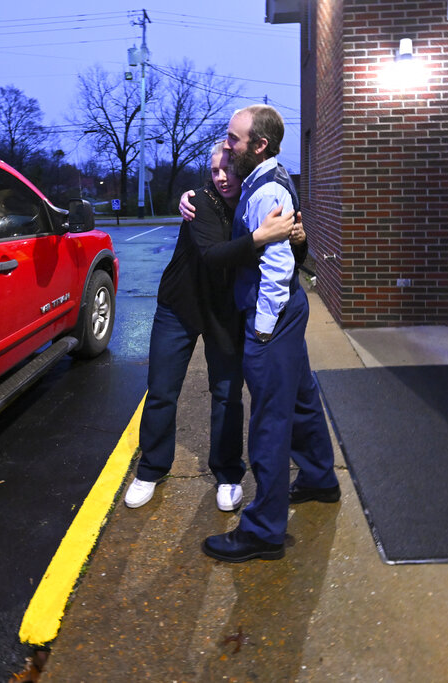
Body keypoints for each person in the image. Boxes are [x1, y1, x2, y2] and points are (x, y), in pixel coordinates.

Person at [124, 142, 304, 512]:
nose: (222, 177)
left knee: (227, 394)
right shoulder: (201, 202)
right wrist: (260, 237)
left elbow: (290, 256)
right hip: (180, 307)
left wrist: (298, 241)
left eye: (229, 169)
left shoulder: (259, 200)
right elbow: (212, 256)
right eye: (215, 170)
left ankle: (227, 475)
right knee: (161, 391)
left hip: (226, 310)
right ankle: (151, 469)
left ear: (245, 167)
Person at [202, 104, 339, 564]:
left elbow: (277, 269)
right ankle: (320, 478)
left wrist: (261, 330)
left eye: (233, 138)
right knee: (300, 399)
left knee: (270, 420)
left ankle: (263, 530)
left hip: (273, 317)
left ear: (258, 144)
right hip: (286, 313)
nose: (227, 145)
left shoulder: (265, 191)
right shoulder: (265, 178)